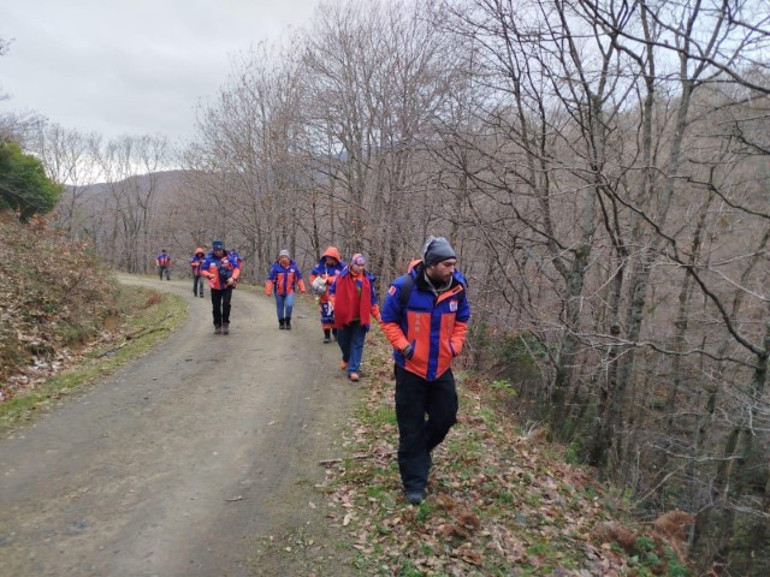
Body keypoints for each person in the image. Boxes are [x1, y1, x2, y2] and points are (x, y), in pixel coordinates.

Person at [380, 236, 471, 505]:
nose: (452, 269)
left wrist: (454, 346)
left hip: (441, 367)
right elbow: (388, 321)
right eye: (447, 264)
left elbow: (462, 320)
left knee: (446, 417)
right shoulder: (403, 287)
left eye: (454, 264)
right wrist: (404, 347)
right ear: (431, 265)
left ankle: (418, 452)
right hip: (410, 369)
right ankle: (414, 483)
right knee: (410, 426)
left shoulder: (458, 288)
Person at [329, 253, 380, 382]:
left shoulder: (367, 280)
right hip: (344, 316)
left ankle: (353, 370)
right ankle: (347, 358)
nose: (361, 268)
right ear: (352, 264)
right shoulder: (341, 277)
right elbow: (332, 292)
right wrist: (335, 304)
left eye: (363, 265)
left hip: (360, 319)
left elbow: (372, 301)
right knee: (343, 342)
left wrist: (379, 317)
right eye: (359, 265)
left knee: (357, 343)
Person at [200, 240, 241, 335]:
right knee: (216, 306)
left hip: (227, 285)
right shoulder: (208, 258)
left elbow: (236, 269)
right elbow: (203, 270)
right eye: (216, 250)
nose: (218, 252)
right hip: (215, 286)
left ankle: (226, 323)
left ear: (222, 249)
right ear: (213, 250)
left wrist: (233, 278)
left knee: (226, 304)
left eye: (220, 250)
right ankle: (217, 325)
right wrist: (209, 275)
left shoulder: (229, 257)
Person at [309, 246, 346, 343]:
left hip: (337, 297)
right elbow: (312, 277)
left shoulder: (343, 267)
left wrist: (329, 279)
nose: (328, 260)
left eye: (330, 258)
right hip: (324, 297)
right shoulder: (320, 266)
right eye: (327, 258)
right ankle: (327, 335)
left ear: (335, 258)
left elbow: (345, 279)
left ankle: (336, 333)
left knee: (335, 316)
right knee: (325, 316)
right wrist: (315, 284)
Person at [264, 249, 306, 330]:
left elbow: (299, 278)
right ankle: (281, 322)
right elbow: (270, 279)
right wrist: (268, 290)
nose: (284, 259)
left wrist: (302, 288)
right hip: (278, 292)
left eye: (285, 257)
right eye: (282, 257)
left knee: (289, 305)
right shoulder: (275, 268)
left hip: (290, 291)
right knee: (280, 307)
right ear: (279, 258)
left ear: (288, 258)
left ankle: (287, 321)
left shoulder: (293, 267)